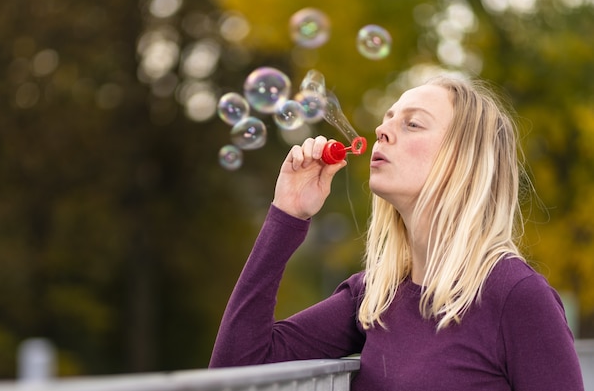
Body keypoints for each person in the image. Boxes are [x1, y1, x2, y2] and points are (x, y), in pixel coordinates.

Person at [208, 75, 585, 391]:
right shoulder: (375, 295)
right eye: (387, 119)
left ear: (462, 161)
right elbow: (236, 370)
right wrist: (287, 214)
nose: (381, 130)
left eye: (412, 123)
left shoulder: (516, 297)